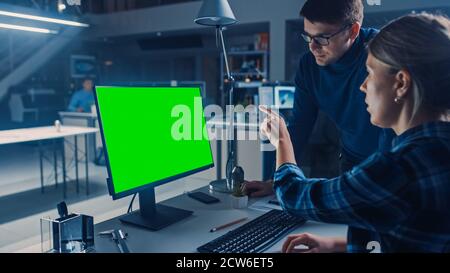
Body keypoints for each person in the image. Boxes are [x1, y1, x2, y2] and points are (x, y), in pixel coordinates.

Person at [259, 13, 450, 253]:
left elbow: (293, 195)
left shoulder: (398, 170)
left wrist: (282, 139)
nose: (363, 85)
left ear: (401, 83)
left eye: (370, 73)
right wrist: (338, 245)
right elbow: (409, 233)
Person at [244, 0, 395, 196]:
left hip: (391, 160)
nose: (313, 47)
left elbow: (392, 128)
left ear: (353, 31)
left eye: (323, 38)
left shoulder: (382, 56)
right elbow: (300, 125)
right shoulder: (309, 66)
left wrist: (385, 182)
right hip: (351, 160)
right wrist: (276, 181)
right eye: (308, 37)